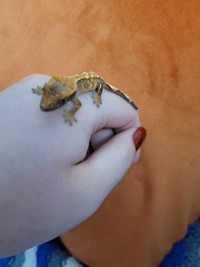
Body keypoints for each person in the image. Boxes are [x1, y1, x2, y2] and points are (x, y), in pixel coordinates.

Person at [0, 74, 146, 258]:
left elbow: (77, 105)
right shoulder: (57, 90)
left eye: (59, 101)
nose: (46, 105)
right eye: (45, 93)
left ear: (69, 97)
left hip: (94, 82)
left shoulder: (76, 97)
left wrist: (80, 106)